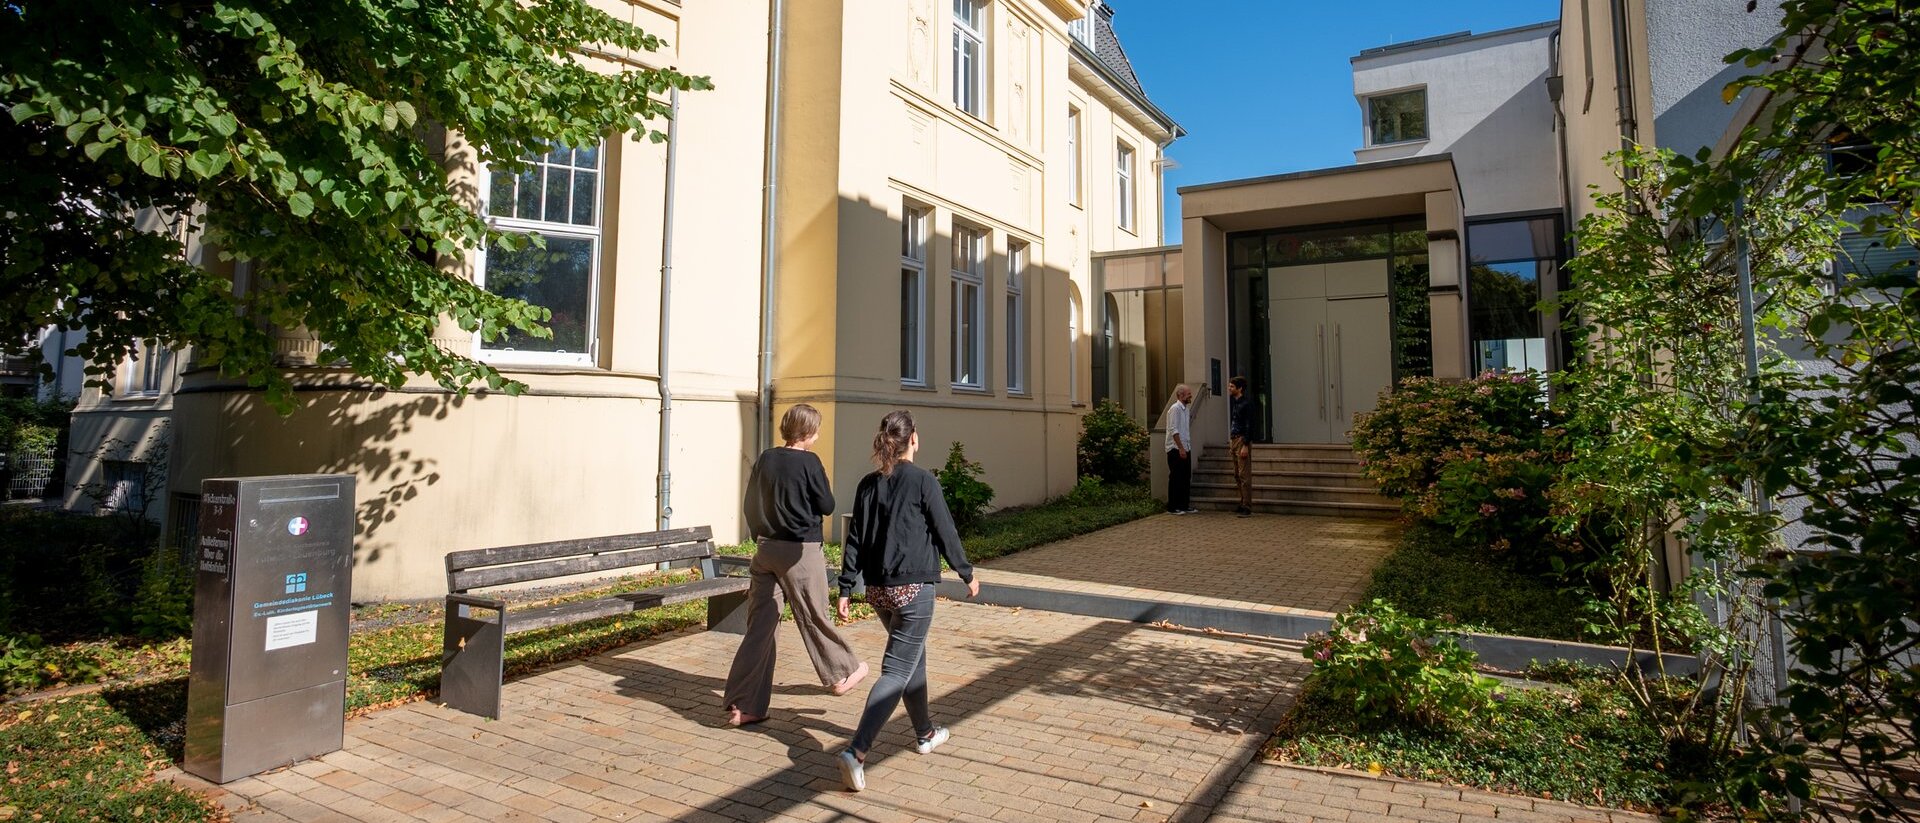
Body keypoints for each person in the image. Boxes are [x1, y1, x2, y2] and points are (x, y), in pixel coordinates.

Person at [832, 410, 980, 792]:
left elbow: (855, 539)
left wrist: (847, 587)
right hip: (914, 590)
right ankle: (857, 752)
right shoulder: (923, 480)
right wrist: (966, 571)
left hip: (879, 591)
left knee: (913, 660)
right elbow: (945, 530)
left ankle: (925, 733)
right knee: (897, 670)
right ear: (913, 439)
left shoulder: (868, 484)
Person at [721, 404, 868, 727]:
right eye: (815, 430)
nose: (817, 435)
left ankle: (744, 706)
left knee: (760, 627)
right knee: (813, 613)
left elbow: (749, 504)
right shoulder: (809, 462)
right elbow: (827, 505)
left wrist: (762, 533)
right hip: (800, 552)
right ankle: (842, 673)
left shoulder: (766, 459)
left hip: (765, 550)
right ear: (806, 432)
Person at [1164, 384, 1196, 515]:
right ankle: (1172, 506)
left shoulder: (1186, 409)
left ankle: (1184, 505)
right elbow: (1174, 430)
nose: (1191, 396)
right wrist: (1181, 448)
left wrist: (1186, 448)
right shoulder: (1175, 409)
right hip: (1175, 449)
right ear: (1181, 395)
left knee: (1185, 477)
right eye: (1188, 394)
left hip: (1185, 447)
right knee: (1176, 478)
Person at [1228, 376, 1254, 517]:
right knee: (1237, 474)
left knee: (1244, 474)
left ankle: (1247, 506)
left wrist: (1245, 444)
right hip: (1234, 439)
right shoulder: (1236, 403)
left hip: (1242, 440)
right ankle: (1242, 501)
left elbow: (1249, 424)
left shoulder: (1246, 403)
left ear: (1240, 388)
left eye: (1232, 386)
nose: (1229, 388)